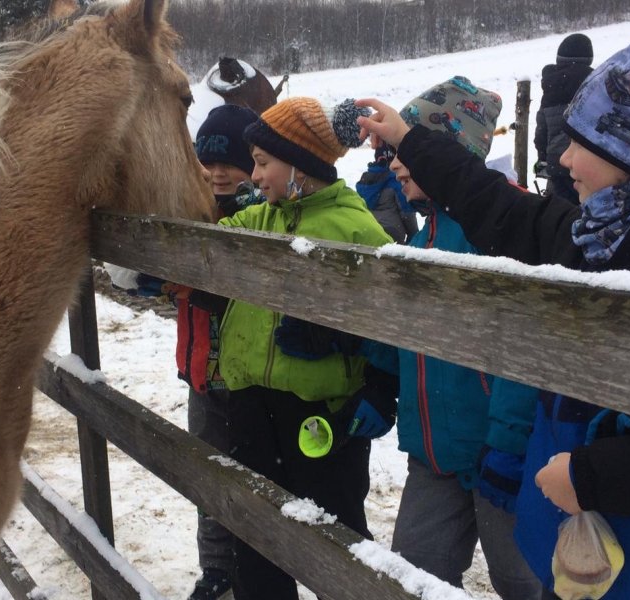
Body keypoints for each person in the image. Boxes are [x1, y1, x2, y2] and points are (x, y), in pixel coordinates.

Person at [357, 33, 630, 599]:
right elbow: (506, 212)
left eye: (583, 144)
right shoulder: (612, 232)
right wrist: (412, 141)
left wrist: (593, 476)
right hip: (598, 559)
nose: (562, 159)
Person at [361, 77, 547, 599]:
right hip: (434, 453)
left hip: (501, 454)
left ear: (450, 151)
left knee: (521, 580)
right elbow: (405, 328)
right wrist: (379, 381)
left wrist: (510, 443)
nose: (395, 164)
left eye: (405, 150)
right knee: (416, 574)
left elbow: (524, 345)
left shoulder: (505, 232)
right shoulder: (424, 238)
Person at [217, 96, 395, 600]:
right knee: (255, 536)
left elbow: (392, 323)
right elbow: (209, 241)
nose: (254, 175)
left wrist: (368, 371)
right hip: (251, 403)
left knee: (334, 539)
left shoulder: (355, 229)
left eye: (263, 162)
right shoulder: (262, 219)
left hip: (320, 416)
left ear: (300, 164)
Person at [174, 104, 262, 600]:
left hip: (248, 382)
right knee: (209, 484)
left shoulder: (261, 216)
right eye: (207, 162)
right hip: (202, 378)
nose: (217, 173)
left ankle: (253, 573)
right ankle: (216, 573)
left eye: (230, 161)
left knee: (249, 483)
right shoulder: (188, 211)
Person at [534, 33, 593, 204]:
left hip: (557, 164)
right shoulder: (595, 85)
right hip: (587, 165)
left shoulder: (551, 88)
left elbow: (541, 131)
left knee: (557, 214)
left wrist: (543, 158)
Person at [356, 142, 418, 243]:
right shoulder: (396, 181)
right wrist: (414, 234)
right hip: (392, 233)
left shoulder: (365, 179)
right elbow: (407, 212)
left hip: (367, 229)